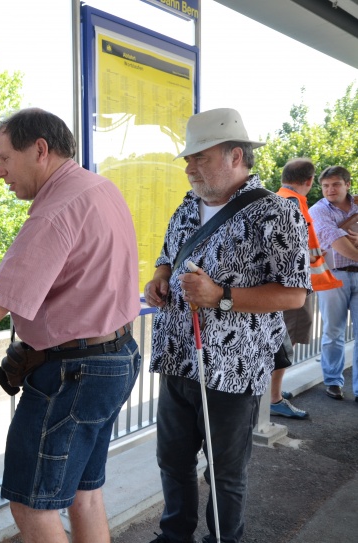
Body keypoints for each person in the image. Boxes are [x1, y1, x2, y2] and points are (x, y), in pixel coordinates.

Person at [0, 108, 141, 543]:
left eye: (4, 159)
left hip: (72, 373)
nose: (0, 174)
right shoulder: (100, 189)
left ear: (40, 149)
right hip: (115, 356)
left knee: (30, 504)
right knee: (84, 494)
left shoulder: (54, 213)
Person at [143, 108, 309, 543]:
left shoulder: (275, 212)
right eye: (188, 157)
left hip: (232, 369)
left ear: (236, 155)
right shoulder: (188, 205)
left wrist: (221, 296)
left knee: (224, 472)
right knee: (172, 460)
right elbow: (168, 255)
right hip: (178, 356)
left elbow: (294, 294)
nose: (189, 166)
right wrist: (158, 279)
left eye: (200, 156)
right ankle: (173, 535)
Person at [271, 158, 342, 418]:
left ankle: (272, 393)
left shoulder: (279, 198)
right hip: (291, 289)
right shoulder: (293, 205)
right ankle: (274, 398)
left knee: (281, 342)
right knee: (284, 345)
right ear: (311, 181)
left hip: (283, 288)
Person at [309, 165, 358, 402]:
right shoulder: (318, 211)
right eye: (326, 185)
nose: (330, 190)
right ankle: (333, 381)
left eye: (336, 184)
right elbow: (336, 242)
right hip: (333, 274)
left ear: (348, 184)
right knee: (333, 331)